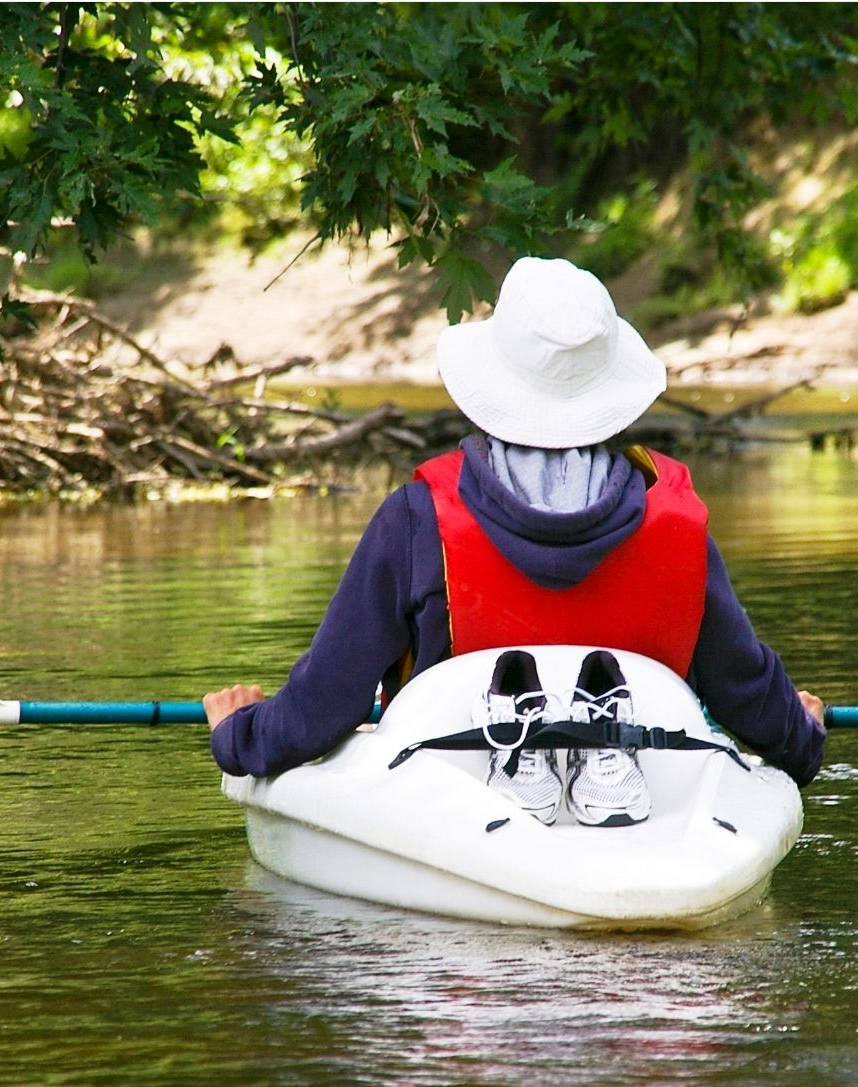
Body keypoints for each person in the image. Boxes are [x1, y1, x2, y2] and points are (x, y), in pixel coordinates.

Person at [203, 256, 826, 823]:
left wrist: (240, 735)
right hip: (641, 800)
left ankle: (522, 759)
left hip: (453, 802)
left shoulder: (417, 517)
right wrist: (799, 735)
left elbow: (324, 708)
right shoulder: (677, 519)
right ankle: (601, 761)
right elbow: (745, 690)